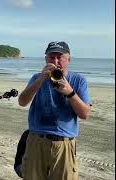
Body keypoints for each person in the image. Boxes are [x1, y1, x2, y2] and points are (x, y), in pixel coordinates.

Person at [18, 41, 92, 180]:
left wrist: (70, 92)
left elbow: (85, 114)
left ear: (68, 59)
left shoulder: (78, 80)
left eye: (60, 57)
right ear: (46, 59)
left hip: (64, 144)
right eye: (52, 57)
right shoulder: (36, 78)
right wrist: (40, 80)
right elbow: (22, 102)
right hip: (37, 140)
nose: (56, 61)